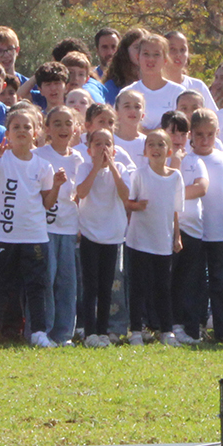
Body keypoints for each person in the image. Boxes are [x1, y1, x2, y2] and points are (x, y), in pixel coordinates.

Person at [0, 106, 62, 347]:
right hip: (5, 237)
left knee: (36, 286)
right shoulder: (1, 161)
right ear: (7, 133)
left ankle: (38, 332)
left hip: (35, 236)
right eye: (16, 127)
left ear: (36, 133)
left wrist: (58, 185)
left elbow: (48, 203)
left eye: (27, 127)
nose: (22, 131)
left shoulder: (43, 166)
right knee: (2, 285)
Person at [175, 109, 223, 344]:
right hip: (194, 231)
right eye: (200, 135)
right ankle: (193, 327)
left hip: (221, 231)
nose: (204, 140)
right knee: (194, 281)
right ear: (191, 134)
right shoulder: (187, 160)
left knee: (222, 281)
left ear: (217, 134)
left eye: (210, 135)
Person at [73, 127, 136, 346]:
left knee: (106, 285)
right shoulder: (84, 167)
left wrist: (112, 170)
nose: (103, 148)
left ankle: (103, 330)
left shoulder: (120, 168)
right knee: (90, 285)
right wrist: (96, 169)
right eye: (97, 144)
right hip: (90, 233)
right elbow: (81, 192)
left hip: (113, 235)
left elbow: (126, 195)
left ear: (114, 149)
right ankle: (89, 331)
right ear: (89, 149)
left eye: (107, 143)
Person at [123, 129, 184, 344]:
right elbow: (128, 202)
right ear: (145, 150)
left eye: (160, 145)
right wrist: (136, 206)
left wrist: (177, 236)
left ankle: (166, 330)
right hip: (138, 239)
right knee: (138, 286)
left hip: (162, 240)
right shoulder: (139, 174)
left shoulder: (175, 177)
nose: (155, 149)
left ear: (168, 151)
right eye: (151, 144)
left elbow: (176, 209)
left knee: (162, 287)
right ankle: (137, 331)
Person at [39, 103, 87, 346]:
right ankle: (43, 330)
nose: (63, 128)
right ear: (47, 128)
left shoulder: (80, 158)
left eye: (68, 123)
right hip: (44, 229)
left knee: (67, 282)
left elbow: (81, 195)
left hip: (69, 228)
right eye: (56, 123)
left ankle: (64, 333)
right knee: (46, 280)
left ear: (76, 128)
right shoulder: (39, 156)